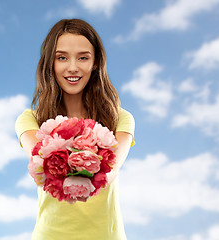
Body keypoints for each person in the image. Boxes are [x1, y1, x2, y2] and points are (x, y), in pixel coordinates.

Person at [15, 19, 135, 240]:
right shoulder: (30, 120)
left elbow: (109, 171)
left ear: (95, 63)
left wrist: (60, 153)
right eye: (62, 57)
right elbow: (45, 166)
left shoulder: (120, 119)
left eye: (83, 57)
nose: (72, 67)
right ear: (50, 63)